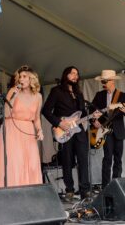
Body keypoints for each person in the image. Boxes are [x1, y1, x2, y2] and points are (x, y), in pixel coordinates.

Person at [42, 66, 90, 201]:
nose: (76, 75)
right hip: (64, 130)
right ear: (66, 75)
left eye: (77, 73)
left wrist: (94, 114)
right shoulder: (56, 91)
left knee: (83, 161)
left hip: (79, 131)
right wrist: (58, 123)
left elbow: (82, 113)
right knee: (67, 161)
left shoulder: (79, 93)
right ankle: (69, 190)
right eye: (72, 73)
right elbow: (45, 110)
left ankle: (85, 191)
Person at [0, 65, 44, 188]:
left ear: (31, 79)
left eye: (24, 76)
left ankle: (30, 194)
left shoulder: (38, 96)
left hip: (28, 131)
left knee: (31, 163)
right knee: (15, 163)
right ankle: (12, 193)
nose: (21, 79)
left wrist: (40, 130)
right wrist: (14, 96)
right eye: (20, 77)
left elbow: (36, 118)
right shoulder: (13, 91)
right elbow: (6, 113)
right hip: (12, 129)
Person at [92, 70, 125, 189]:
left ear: (112, 81)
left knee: (118, 160)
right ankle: (105, 187)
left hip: (118, 132)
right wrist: (94, 121)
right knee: (107, 159)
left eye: (105, 81)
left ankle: (117, 185)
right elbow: (92, 111)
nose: (103, 83)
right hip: (105, 131)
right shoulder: (99, 95)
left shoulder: (122, 95)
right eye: (102, 81)